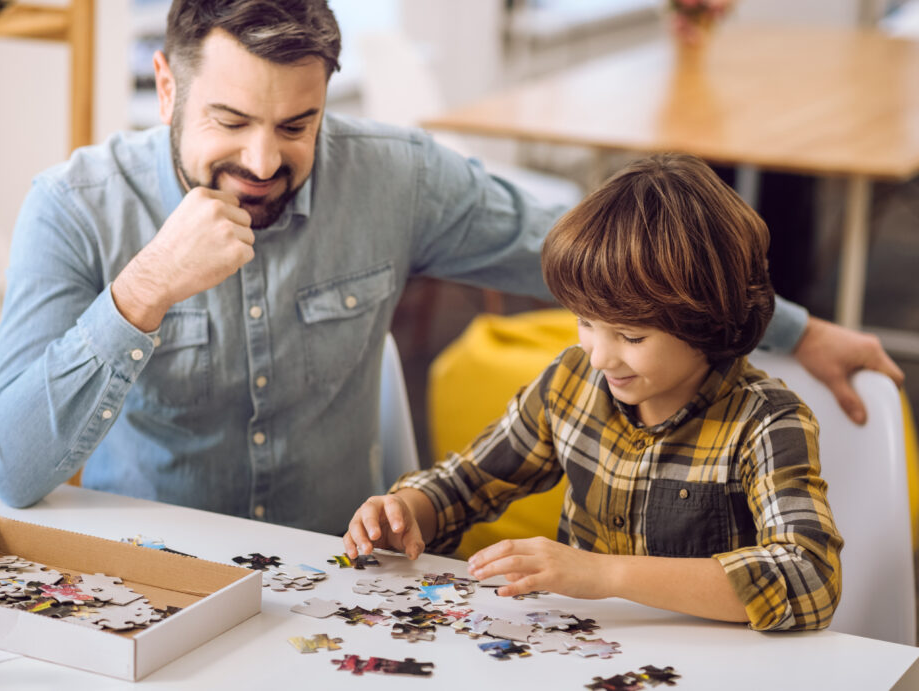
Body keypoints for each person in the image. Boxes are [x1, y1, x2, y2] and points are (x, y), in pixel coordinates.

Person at [0, 0, 899, 537]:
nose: (263, 161)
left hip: (338, 576)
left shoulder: (396, 176)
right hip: (154, 571)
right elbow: (9, 468)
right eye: (230, 121)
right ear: (168, 89)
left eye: (296, 125)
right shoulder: (73, 206)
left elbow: (605, 258)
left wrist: (800, 327)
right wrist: (142, 292)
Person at [344, 154, 843, 631]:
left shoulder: (768, 423)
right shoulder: (573, 380)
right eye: (585, 321)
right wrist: (405, 510)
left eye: (631, 337)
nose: (600, 356)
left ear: (709, 323)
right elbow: (467, 483)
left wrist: (604, 574)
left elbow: (808, 576)